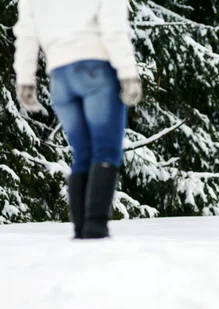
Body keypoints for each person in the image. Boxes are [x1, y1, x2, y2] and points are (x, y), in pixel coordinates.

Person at [13, 0, 143, 239]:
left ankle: (81, 232)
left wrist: (25, 79)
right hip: (97, 68)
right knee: (105, 151)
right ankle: (95, 228)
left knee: (82, 153)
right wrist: (128, 72)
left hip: (60, 76)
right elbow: (114, 27)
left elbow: (27, 34)